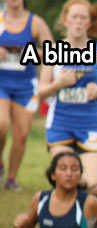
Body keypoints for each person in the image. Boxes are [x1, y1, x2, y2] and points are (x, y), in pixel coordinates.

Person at [38, 0, 97, 197]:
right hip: (60, 125)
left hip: (89, 125)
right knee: (67, 182)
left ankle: (86, 219)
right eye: (74, 17)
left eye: (83, 17)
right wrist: (59, 84)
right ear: (65, 21)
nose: (78, 22)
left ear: (89, 23)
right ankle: (65, 223)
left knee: (93, 187)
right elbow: (41, 91)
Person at [0, 0, 53, 191]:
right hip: (1, 83)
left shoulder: (35, 23)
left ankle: (11, 179)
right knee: (1, 124)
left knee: (21, 135)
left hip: (26, 86)